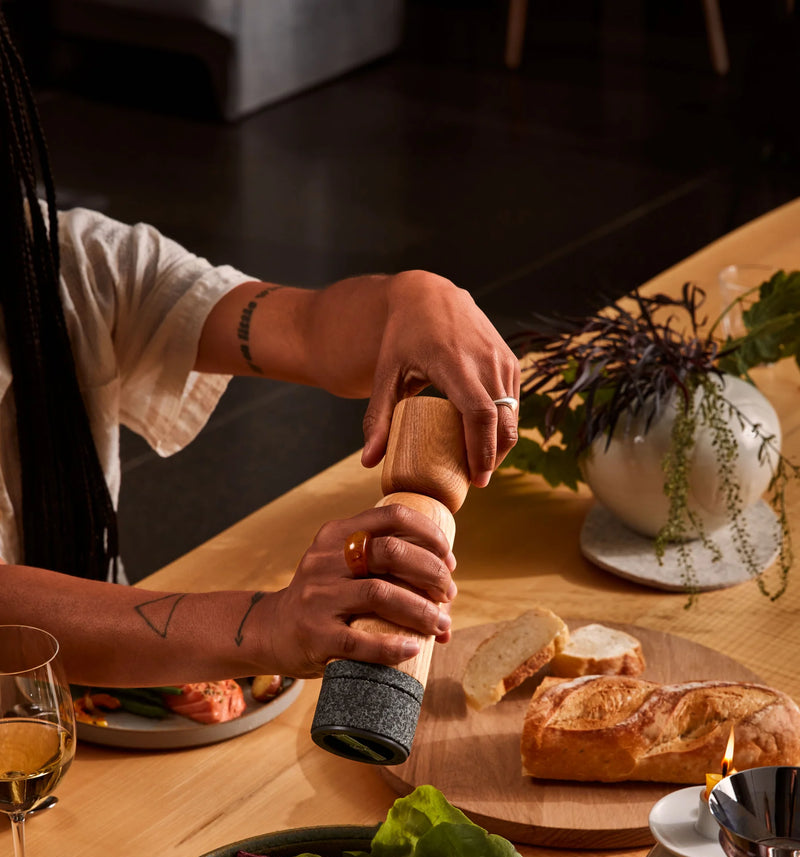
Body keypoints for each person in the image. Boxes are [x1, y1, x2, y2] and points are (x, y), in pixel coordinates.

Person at [0, 12, 520, 688]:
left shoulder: (73, 264)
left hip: (75, 721)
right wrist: (262, 624)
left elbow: (303, 329)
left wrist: (412, 300)